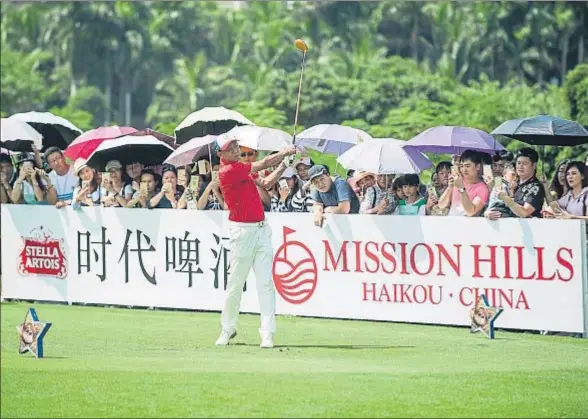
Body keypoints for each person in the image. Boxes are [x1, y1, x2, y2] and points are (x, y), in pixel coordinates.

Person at [214, 135, 297, 349]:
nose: (235, 150)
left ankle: (267, 333)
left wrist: (285, 165)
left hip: (261, 230)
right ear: (220, 154)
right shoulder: (227, 171)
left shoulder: (241, 170)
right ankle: (227, 328)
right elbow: (264, 163)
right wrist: (285, 152)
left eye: (235, 146)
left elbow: (268, 182)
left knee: (266, 284)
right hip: (241, 233)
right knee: (235, 284)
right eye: (230, 148)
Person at [487, 147, 545, 220]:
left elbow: (525, 213)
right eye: (519, 163)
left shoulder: (536, 187)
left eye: (525, 164)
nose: (520, 166)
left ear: (534, 165)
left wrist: (507, 199)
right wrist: (488, 213)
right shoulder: (513, 183)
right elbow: (496, 204)